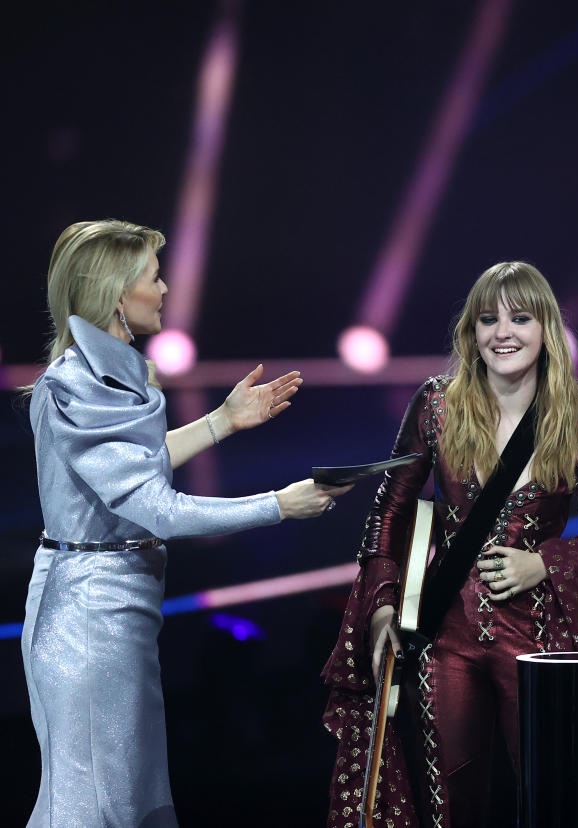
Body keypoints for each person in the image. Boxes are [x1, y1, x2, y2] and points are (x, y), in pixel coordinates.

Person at [21, 219, 348, 828]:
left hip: (114, 609)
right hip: (92, 619)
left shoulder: (106, 376)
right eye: (153, 277)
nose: (166, 289)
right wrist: (280, 504)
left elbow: (131, 468)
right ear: (118, 295)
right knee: (96, 808)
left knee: (122, 801)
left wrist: (222, 421)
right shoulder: (77, 385)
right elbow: (157, 508)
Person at [322, 261, 578, 828]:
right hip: (446, 633)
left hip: (539, 641)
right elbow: (392, 507)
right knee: (452, 800)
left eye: (519, 318)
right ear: (471, 331)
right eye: (488, 319)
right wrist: (384, 604)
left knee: (549, 793)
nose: (502, 332)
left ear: (546, 331)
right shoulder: (437, 404)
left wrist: (546, 561)